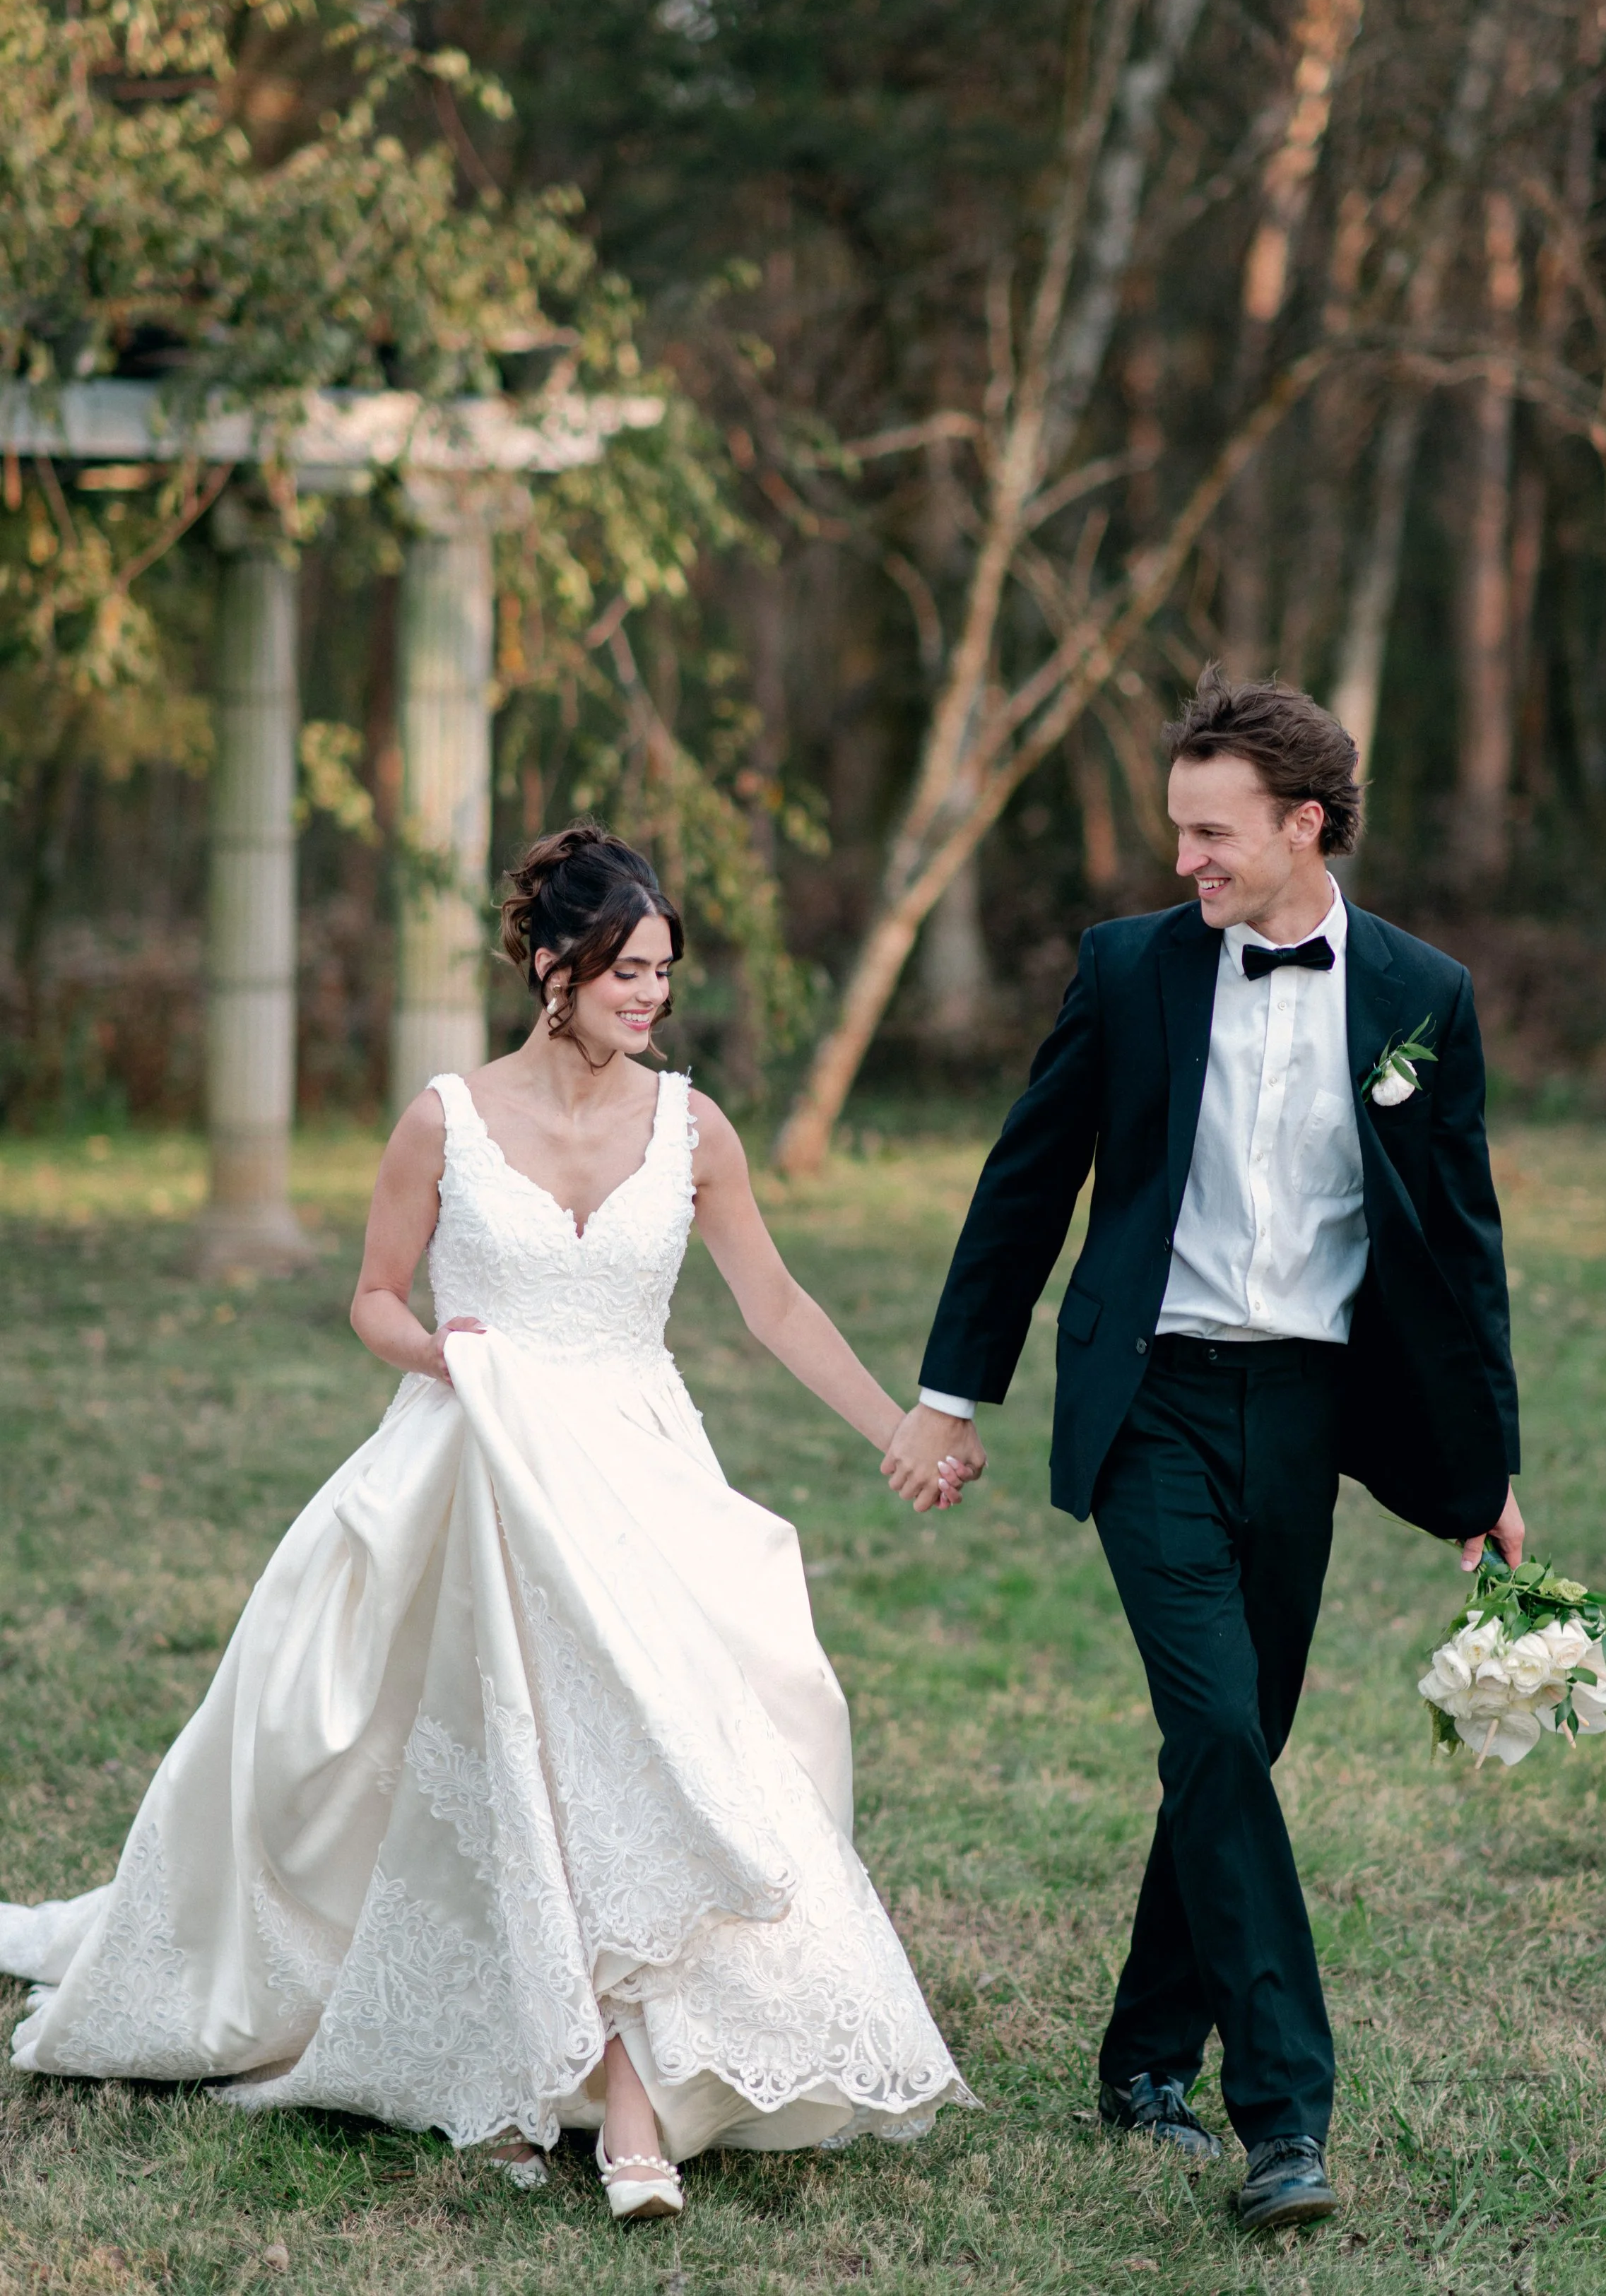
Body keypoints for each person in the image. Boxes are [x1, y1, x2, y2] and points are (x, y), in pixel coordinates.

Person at [0, 824, 973, 2219]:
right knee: (499, 1750)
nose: (648, 996)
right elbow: (374, 1297)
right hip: (473, 1460)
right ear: (547, 966)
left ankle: (626, 2084)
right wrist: (451, 1359)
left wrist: (897, 1429)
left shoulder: (692, 1126)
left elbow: (773, 1304)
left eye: (660, 973)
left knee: (658, 1754)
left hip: (637, 1470)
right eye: (623, 970)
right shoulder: (444, 1119)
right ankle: (578, 2078)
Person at [889, 668, 1523, 2235]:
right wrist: (949, 1391)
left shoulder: (1417, 995)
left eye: (1210, 830)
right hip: (1151, 1403)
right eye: (1178, 829)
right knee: (1220, 1734)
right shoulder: (1126, 973)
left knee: (1236, 1741)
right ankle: (1285, 2116)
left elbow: (1455, 1249)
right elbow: (1022, 1187)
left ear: (1303, 825)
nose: (1184, 858)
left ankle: (1139, 2060)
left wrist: (1479, 1471)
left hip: (1307, 1410)